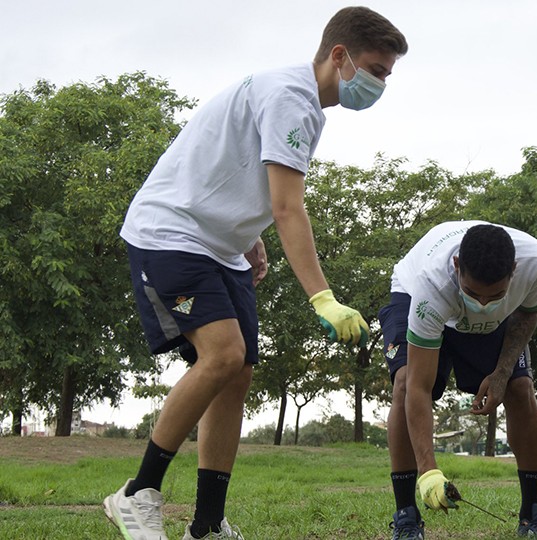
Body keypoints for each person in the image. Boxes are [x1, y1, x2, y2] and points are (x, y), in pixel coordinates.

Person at [103, 7, 407, 540]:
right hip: (170, 232)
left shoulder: (300, 102)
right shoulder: (292, 97)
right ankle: (137, 493)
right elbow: (290, 207)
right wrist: (323, 298)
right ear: (340, 57)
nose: (382, 84)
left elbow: (238, 169)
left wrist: (248, 235)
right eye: (377, 70)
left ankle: (206, 523)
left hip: (219, 246)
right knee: (223, 354)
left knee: (237, 371)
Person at [378, 221, 537, 539]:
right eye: (474, 293)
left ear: (514, 271)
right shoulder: (430, 284)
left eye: (496, 295)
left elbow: (528, 314)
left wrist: (503, 372)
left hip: (495, 323)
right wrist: (429, 473)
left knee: (520, 387)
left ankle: (533, 514)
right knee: (405, 382)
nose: (484, 304)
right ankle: (407, 516)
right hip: (415, 295)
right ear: (457, 265)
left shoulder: (535, 264)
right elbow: (419, 389)